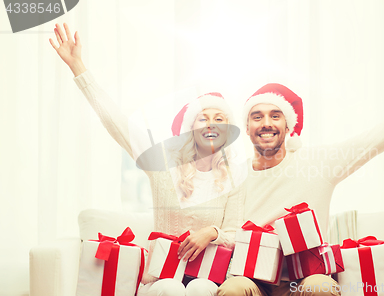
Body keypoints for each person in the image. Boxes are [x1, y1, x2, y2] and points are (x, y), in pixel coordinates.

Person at [217, 56, 384, 296]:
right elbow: (225, 231)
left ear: (288, 125)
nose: (266, 123)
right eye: (257, 117)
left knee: (321, 287)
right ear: (247, 128)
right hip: (254, 281)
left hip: (304, 279)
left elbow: (374, 140)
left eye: (275, 115)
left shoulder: (316, 163)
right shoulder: (235, 176)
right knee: (233, 289)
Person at [49, 23, 245, 296]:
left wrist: (212, 232)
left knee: (201, 289)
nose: (211, 124)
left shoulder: (233, 178)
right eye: (203, 117)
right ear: (192, 128)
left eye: (219, 119)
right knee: (170, 288)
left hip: (207, 276)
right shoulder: (163, 163)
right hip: (161, 279)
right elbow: (115, 122)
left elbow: (236, 233)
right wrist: (78, 68)